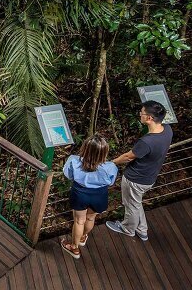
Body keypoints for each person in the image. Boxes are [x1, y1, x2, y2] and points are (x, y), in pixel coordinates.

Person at [106, 100, 172, 241]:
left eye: (141, 113)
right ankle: (142, 230)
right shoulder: (167, 130)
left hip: (136, 179)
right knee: (135, 202)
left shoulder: (147, 142)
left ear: (149, 118)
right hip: (150, 176)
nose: (140, 115)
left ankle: (128, 228)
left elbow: (129, 157)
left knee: (131, 205)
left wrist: (111, 163)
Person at [60, 135, 118, 259]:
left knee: (79, 221)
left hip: (80, 194)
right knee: (91, 219)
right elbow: (111, 182)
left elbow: (68, 175)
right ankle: (82, 237)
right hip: (99, 195)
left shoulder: (74, 161)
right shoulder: (110, 167)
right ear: (104, 152)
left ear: (85, 148)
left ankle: (74, 248)